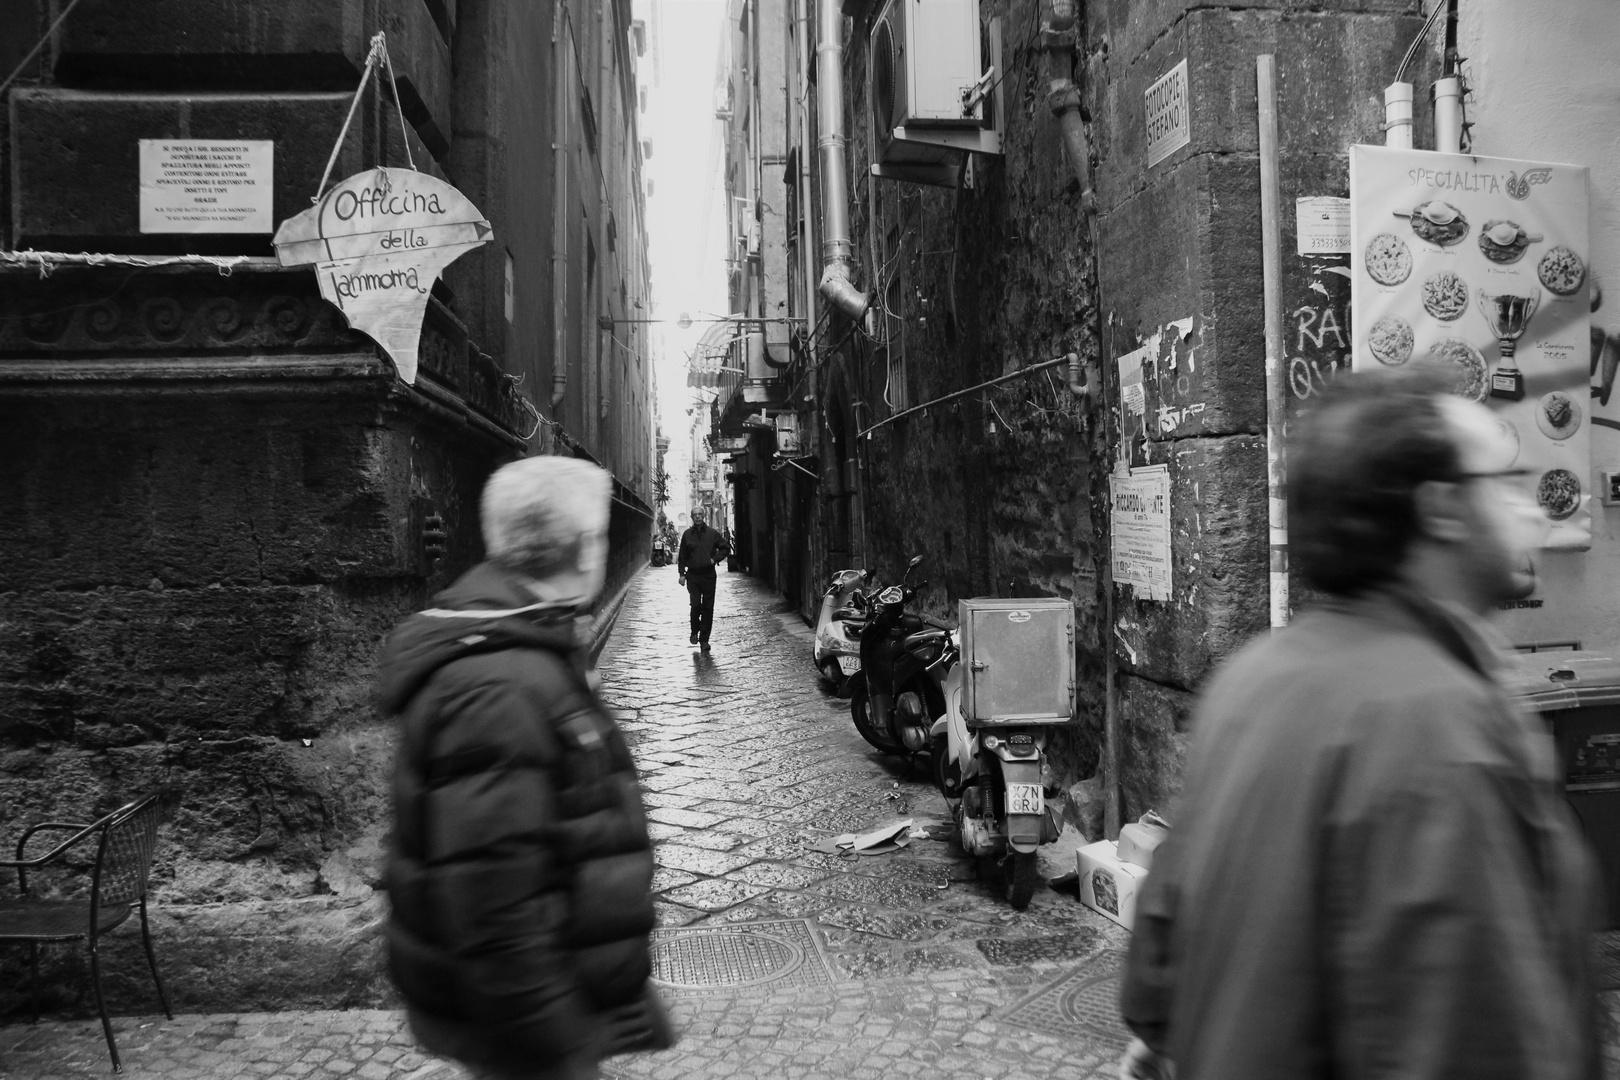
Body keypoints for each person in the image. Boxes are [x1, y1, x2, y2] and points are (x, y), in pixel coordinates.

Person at [1119, 372, 1601, 1080]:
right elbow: (1470, 1035)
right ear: (1441, 509)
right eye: (1501, 481)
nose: (1526, 509)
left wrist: (1164, 1035)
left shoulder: (1253, 677)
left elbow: (1167, 911)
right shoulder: (1438, 730)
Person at [379, 456, 672, 1080]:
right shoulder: (497, 687)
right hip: (529, 1040)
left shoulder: (528, 646)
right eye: (595, 534)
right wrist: (561, 1043)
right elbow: (492, 905)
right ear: (582, 546)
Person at [677, 512, 730, 649]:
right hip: (693, 575)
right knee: (695, 605)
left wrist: (714, 559)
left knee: (708, 607)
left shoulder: (712, 533)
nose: (698, 517)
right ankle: (694, 631)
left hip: (708, 575)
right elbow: (682, 555)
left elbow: (725, 548)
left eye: (700, 514)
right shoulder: (687, 535)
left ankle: (704, 640)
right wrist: (682, 574)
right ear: (692, 517)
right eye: (695, 515)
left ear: (704, 516)